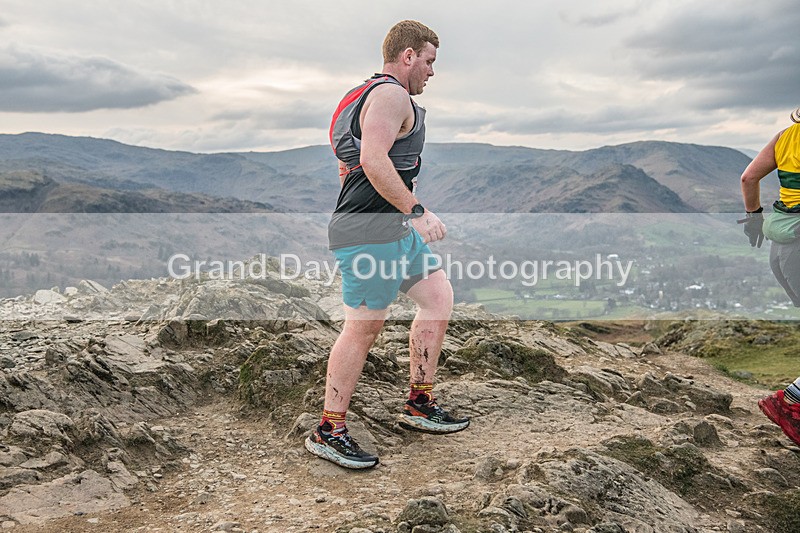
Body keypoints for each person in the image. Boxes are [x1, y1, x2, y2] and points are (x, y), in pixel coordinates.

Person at [304, 20, 469, 470]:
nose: (432, 72)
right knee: (363, 328)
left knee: (438, 298)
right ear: (408, 56)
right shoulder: (391, 94)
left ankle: (419, 401)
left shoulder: (364, 95)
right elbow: (372, 159)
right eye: (430, 61)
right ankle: (329, 429)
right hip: (368, 233)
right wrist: (418, 210)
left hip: (392, 231)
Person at [739, 106, 800, 447]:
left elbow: (748, 178)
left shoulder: (786, 136)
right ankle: (790, 403)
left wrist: (754, 219)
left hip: (782, 248)